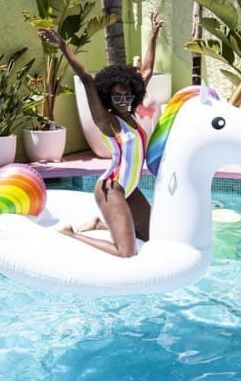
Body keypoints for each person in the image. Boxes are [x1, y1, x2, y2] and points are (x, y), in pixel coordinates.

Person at [38, 13, 164, 257]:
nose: (123, 100)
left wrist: (153, 34)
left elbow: (147, 69)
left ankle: (98, 225)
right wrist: (62, 45)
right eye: (116, 96)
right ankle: (71, 234)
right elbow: (86, 78)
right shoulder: (108, 121)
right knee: (126, 252)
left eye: (127, 95)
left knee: (150, 237)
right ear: (108, 96)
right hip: (112, 189)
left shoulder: (131, 115)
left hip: (131, 188)